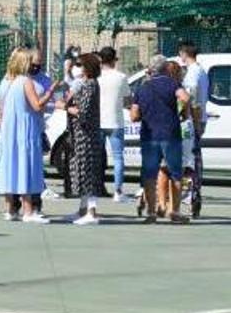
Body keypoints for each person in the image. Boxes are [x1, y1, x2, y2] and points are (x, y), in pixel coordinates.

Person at [0, 48, 56, 223]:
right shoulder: (25, 81)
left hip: (11, 131)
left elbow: (2, 108)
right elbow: (37, 106)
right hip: (26, 130)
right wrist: (50, 92)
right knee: (26, 167)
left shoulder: (9, 82)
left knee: (11, 167)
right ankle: (28, 211)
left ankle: (10, 209)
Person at [131, 55, 191, 224]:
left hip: (149, 135)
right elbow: (185, 98)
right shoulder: (173, 84)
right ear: (165, 68)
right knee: (175, 174)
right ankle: (175, 211)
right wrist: (184, 113)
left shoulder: (143, 88)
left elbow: (134, 115)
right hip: (171, 134)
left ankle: (151, 212)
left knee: (150, 174)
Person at [66, 53, 105, 225]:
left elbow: (84, 112)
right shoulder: (86, 84)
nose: (78, 67)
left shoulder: (90, 85)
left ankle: (91, 211)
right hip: (82, 135)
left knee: (89, 173)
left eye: (81, 64)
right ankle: (83, 209)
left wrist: (67, 108)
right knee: (82, 172)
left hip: (87, 136)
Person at [177, 41, 209, 214]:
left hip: (191, 120)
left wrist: (194, 122)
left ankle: (192, 196)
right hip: (199, 118)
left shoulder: (192, 73)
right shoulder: (201, 71)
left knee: (190, 160)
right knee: (194, 159)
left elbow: (191, 99)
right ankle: (192, 194)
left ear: (184, 53)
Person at [98, 47, 130, 203]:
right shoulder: (121, 77)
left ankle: (95, 187)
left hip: (98, 121)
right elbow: (127, 99)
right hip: (116, 121)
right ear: (114, 60)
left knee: (96, 156)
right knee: (118, 157)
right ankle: (118, 191)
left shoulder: (96, 77)